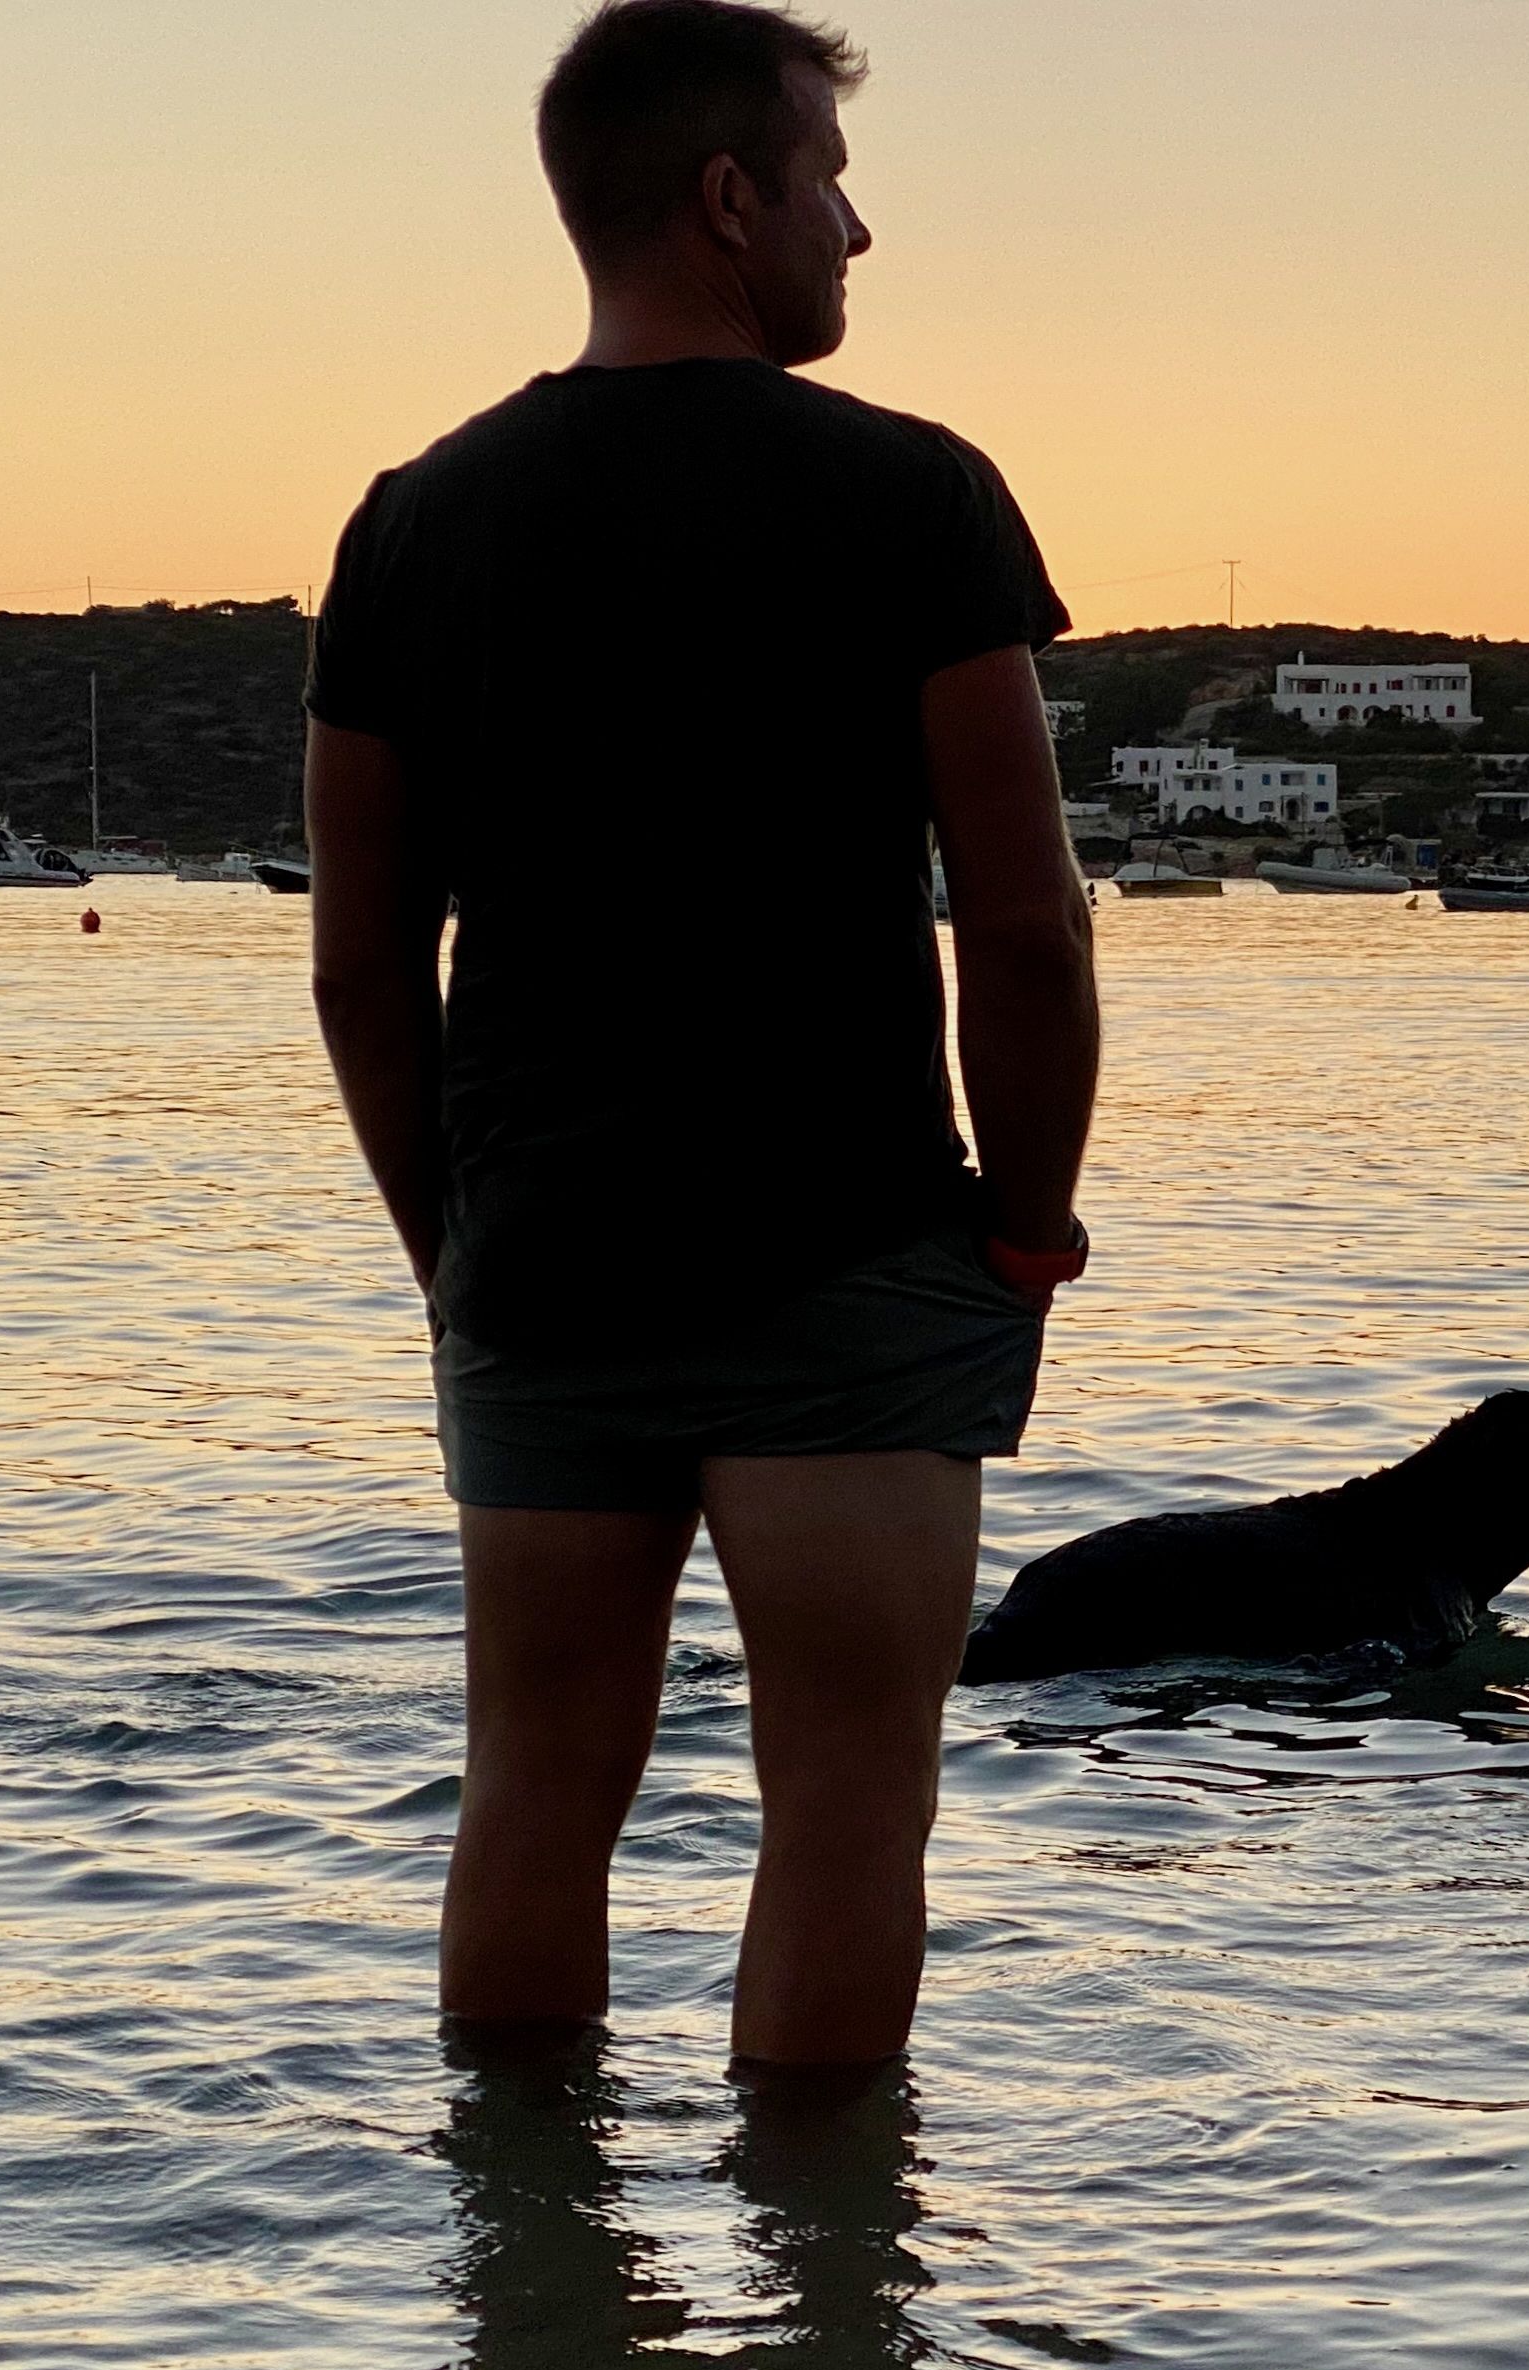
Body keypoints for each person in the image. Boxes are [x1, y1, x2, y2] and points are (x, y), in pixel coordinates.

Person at [305, 0, 1100, 2065]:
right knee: (846, 1802)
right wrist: (1024, 1234)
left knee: (535, 1794)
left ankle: (525, 2316)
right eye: (832, 178)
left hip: (544, 1256)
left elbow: (363, 962)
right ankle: (841, 2346)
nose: (862, 228)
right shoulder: (913, 497)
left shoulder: (412, 521)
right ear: (730, 198)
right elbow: (1020, 931)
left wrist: (453, 1255)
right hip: (844, 1250)